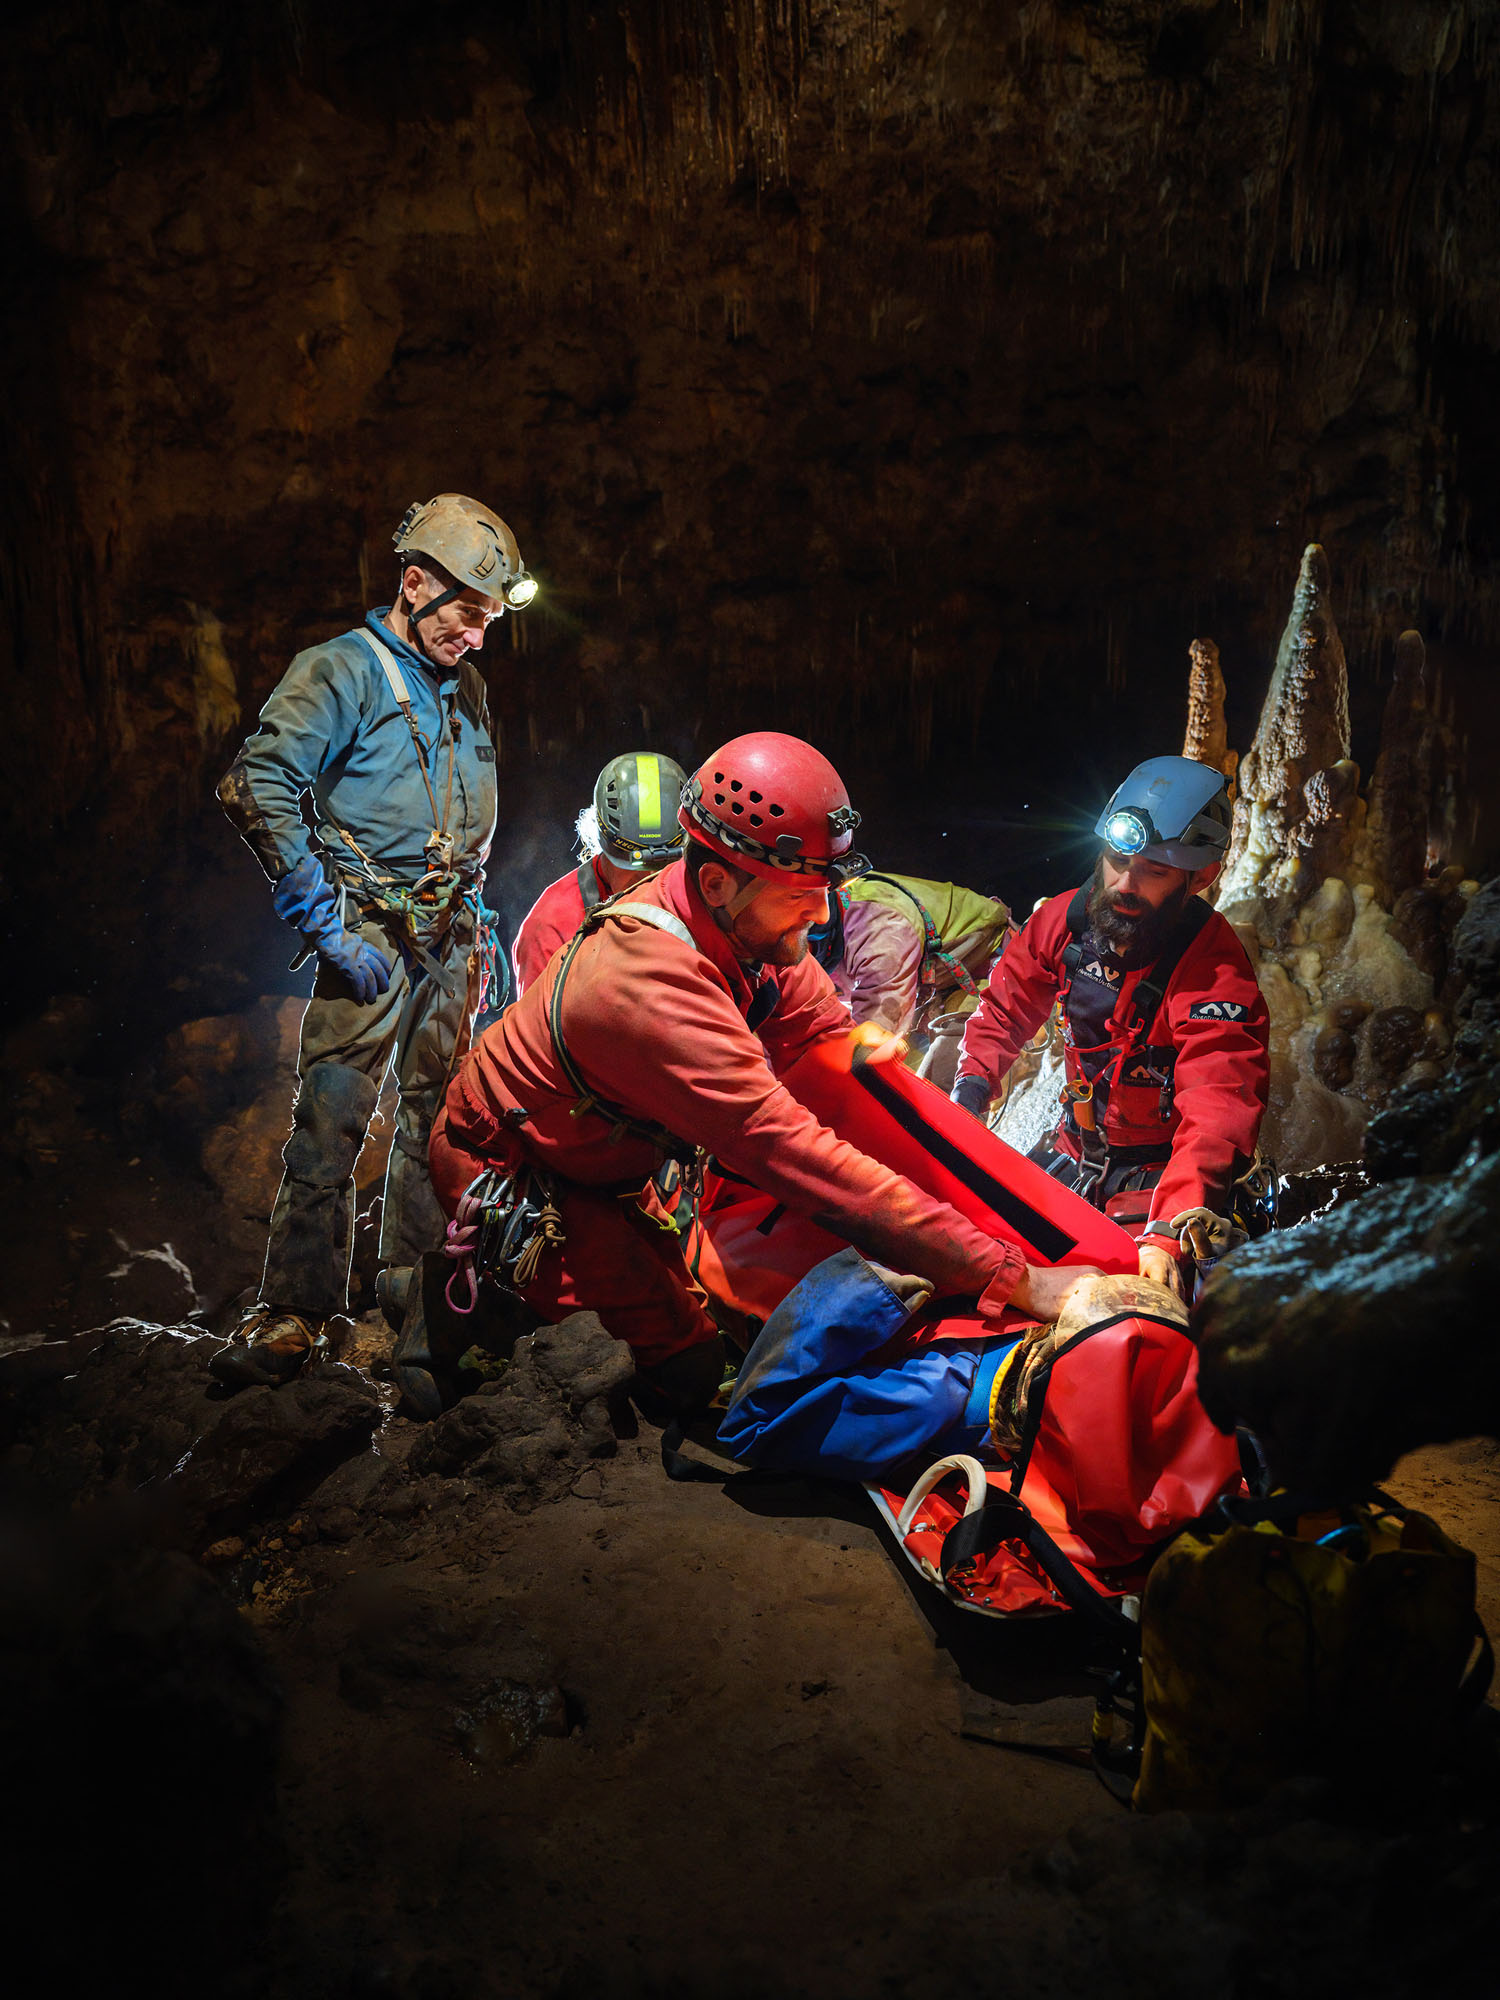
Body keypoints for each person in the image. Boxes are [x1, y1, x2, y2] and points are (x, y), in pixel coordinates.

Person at [423, 732, 1088, 1417]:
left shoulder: (741, 919)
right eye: (803, 894)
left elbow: (822, 1035)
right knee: (686, 1372)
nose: (823, 913)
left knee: (709, 1320)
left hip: (606, 1161)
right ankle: (471, 1306)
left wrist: (869, 1072)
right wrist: (1016, 1278)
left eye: (825, 889)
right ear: (717, 880)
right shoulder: (649, 988)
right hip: (520, 1167)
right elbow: (800, 1161)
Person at [210, 493, 536, 1388]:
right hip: (369, 929)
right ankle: (296, 1311)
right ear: (415, 583)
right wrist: (322, 921)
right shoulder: (340, 671)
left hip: (451, 935)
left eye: (490, 620)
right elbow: (258, 784)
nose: (478, 637)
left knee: (437, 1118)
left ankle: (408, 1299)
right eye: (468, 614)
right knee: (334, 1114)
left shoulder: (461, 682)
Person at [950, 756, 1269, 1298]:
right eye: (1116, 859)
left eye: (1154, 871)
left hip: (1159, 1175)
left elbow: (1219, 1104)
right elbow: (1004, 1011)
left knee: (1129, 1305)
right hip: (1076, 1151)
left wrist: (1169, 1230)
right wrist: (971, 1088)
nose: (1125, 882)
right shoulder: (1068, 921)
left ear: (1202, 877)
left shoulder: (1214, 971)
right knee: (976, 1247)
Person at [812, 871, 1010, 1089]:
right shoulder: (819, 930)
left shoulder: (880, 928)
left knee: (945, 1072)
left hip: (986, 961)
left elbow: (876, 1024)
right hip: (932, 979)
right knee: (910, 1071)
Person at [511, 752, 688, 995]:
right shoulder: (550, 928)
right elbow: (536, 1030)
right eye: (636, 871)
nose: (650, 883)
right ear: (604, 847)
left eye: (662, 868)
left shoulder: (694, 897)